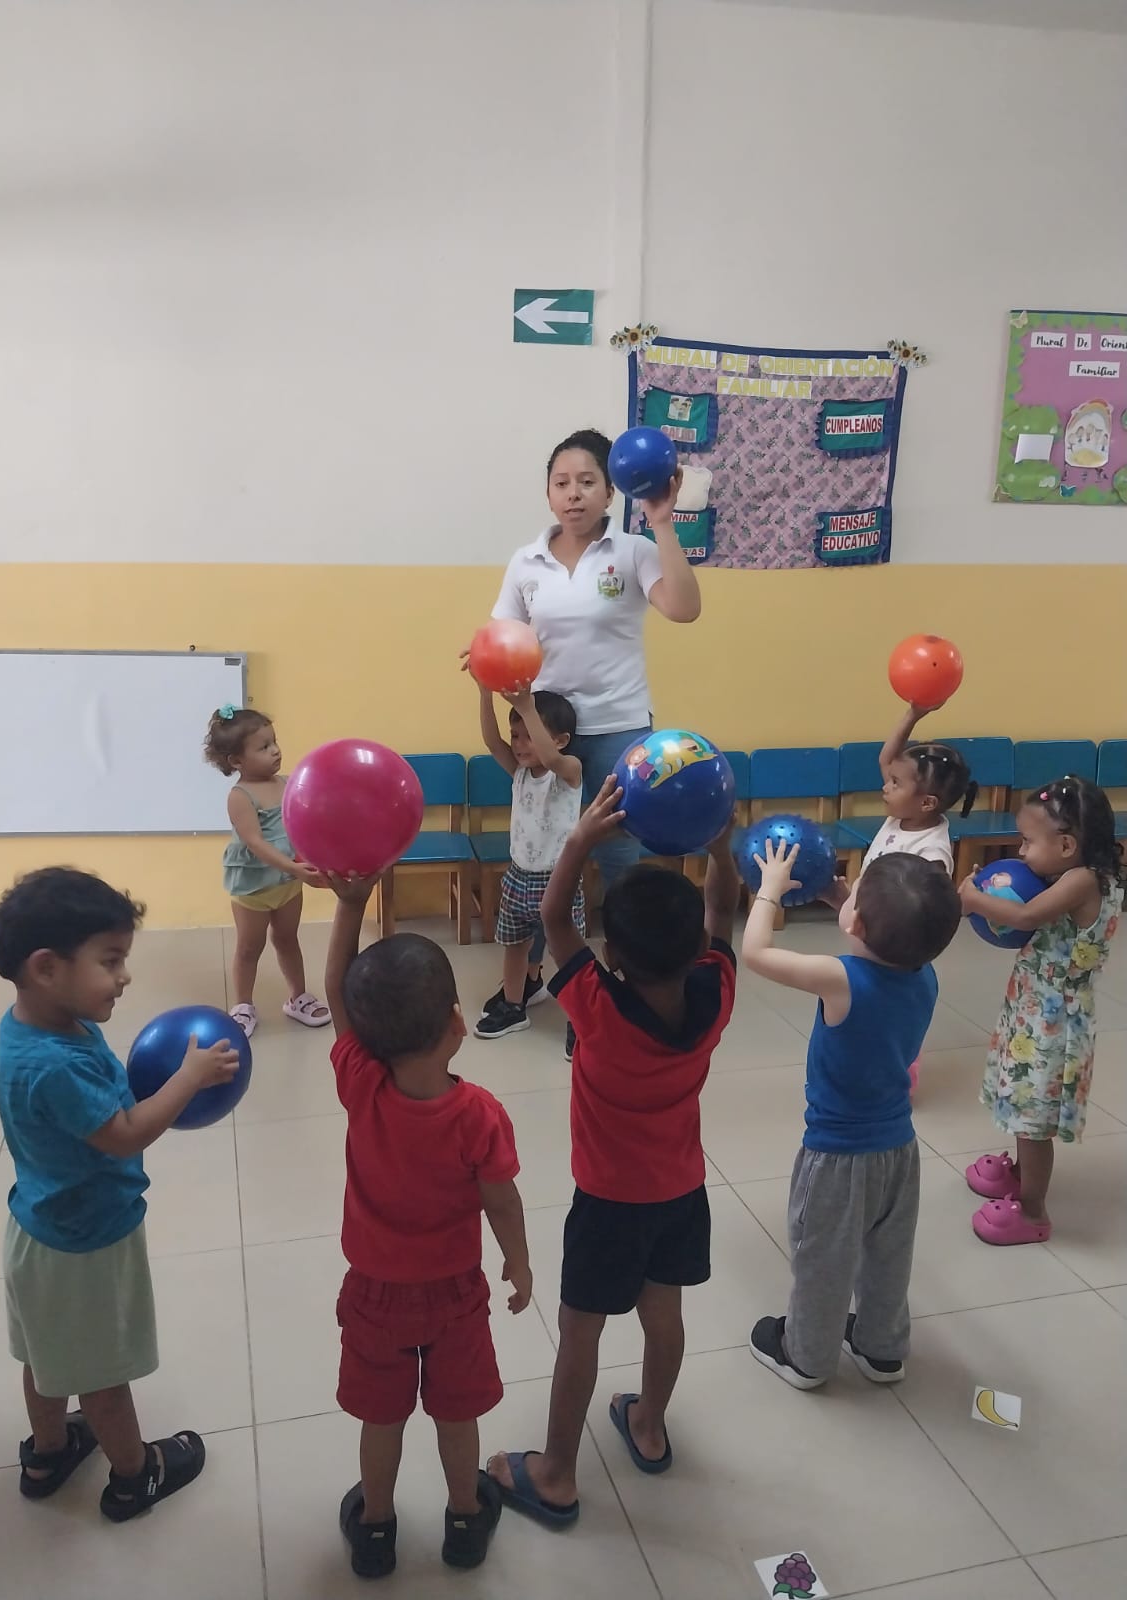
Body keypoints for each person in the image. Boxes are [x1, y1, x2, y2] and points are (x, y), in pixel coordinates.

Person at [487, 777, 738, 1526]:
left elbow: (549, 919)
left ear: (613, 955)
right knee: (665, 1313)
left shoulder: (596, 1010)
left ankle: (556, 1474)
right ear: (694, 950)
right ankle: (650, 1426)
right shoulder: (715, 994)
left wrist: (577, 840)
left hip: (608, 1204)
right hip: (681, 1193)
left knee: (581, 1331)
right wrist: (722, 850)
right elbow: (723, 909)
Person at [0, 867, 240, 1519]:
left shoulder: (33, 1025)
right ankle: (134, 1474)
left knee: (44, 1355)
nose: (124, 976)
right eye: (110, 960)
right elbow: (125, 1134)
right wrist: (189, 1078)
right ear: (47, 968)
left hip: (38, 1227)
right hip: (85, 1242)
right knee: (103, 1375)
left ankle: (48, 1452)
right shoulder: (56, 1065)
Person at [322, 872, 532, 1577]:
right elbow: (502, 1200)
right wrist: (518, 1260)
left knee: (381, 1417)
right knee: (456, 1413)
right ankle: (465, 1518)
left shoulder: (362, 1084)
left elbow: (336, 993)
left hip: (375, 1293)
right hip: (455, 1295)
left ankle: (376, 1528)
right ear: (456, 1023)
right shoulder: (479, 1115)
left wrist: (351, 906)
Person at [479, 427, 703, 1052]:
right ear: (548, 493)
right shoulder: (526, 562)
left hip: (621, 735)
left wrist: (663, 520)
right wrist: (484, 666)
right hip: (547, 735)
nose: (573, 493)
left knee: (620, 871)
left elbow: (685, 608)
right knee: (547, 868)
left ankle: (622, 995)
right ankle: (540, 983)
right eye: (561, 482)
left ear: (610, 491)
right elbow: (502, 638)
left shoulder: (632, 551)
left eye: (586, 482)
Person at [744, 843, 961, 1389]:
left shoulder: (840, 979)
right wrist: (844, 899)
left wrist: (769, 889)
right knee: (888, 1255)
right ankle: (881, 1348)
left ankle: (807, 1357)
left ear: (856, 925)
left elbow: (757, 952)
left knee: (823, 1257)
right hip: (900, 1150)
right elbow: (890, 935)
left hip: (838, 1157)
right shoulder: (925, 974)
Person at [960, 776, 1123, 1245]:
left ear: (1068, 845)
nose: (1021, 850)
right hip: (1036, 1008)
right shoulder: (1079, 874)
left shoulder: (1081, 881)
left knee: (1034, 1121)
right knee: (1023, 1108)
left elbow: (1026, 916)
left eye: (1028, 842)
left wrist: (973, 898)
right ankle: (1020, 1175)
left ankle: (1033, 1213)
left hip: (1053, 1025)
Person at [823, 701, 975, 1093]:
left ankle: (899, 1076)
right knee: (863, 1013)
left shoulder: (932, 851)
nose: (885, 786)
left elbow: (915, 912)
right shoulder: (900, 817)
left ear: (927, 802)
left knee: (889, 1015)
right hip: (870, 939)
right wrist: (912, 715)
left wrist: (853, 911)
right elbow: (887, 759)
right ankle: (869, 1069)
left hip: (895, 954)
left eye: (895, 783)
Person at [204, 704, 329, 1038]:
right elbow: (256, 842)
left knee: (287, 939)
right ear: (236, 761)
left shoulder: (288, 784)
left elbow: (304, 824)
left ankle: (298, 997)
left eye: (274, 742)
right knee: (249, 947)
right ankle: (243, 1005)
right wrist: (296, 868)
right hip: (254, 885)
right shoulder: (240, 796)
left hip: (288, 881)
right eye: (263, 747)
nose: (275, 750)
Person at [471, 684, 584, 1040]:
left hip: (558, 880)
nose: (519, 744)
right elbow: (493, 742)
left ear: (561, 741)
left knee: (567, 952)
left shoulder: (568, 770)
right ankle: (513, 1006)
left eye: (529, 736)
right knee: (515, 945)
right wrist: (484, 693)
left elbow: (551, 760)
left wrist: (527, 706)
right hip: (519, 876)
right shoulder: (520, 772)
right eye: (516, 735)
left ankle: (580, 1019)